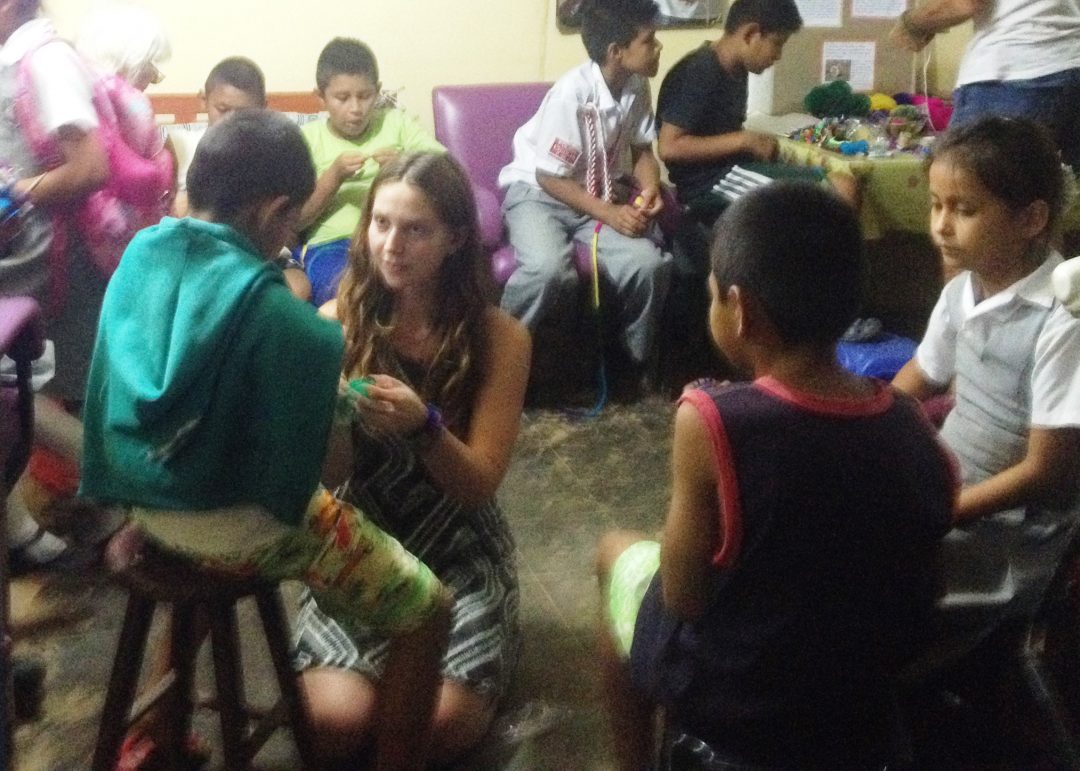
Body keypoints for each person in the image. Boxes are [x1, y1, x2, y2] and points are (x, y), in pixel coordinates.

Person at [79, 110, 452, 770]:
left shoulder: (139, 255)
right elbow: (314, 477)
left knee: (206, 532)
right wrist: (341, 407)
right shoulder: (287, 319)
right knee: (429, 608)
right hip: (235, 533)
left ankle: (155, 728)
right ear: (276, 212)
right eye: (291, 224)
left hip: (142, 503)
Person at [596, 181, 955, 770]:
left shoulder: (712, 420)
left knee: (615, 553)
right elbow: (927, 588)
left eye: (713, 296)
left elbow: (684, 596)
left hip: (739, 700)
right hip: (860, 695)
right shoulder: (910, 422)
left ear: (741, 311)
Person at [292, 151, 531, 764]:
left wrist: (425, 428)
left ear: (456, 239)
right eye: (381, 223)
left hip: (457, 549)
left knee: (439, 725)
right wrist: (330, 414)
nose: (392, 245)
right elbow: (332, 478)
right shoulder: (336, 323)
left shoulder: (499, 337)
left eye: (415, 229)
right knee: (334, 723)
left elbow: (478, 485)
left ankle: (482, 637)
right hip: (364, 541)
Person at [893, 116, 1080, 522]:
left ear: (1031, 219)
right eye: (936, 205)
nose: (941, 226)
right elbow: (922, 374)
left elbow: (1046, 471)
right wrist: (860, 429)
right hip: (952, 480)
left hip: (1011, 526)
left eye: (964, 210)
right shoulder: (961, 290)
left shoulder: (1063, 318)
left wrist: (943, 514)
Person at [498, 0, 671, 383]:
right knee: (547, 272)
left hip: (593, 194)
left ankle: (632, 366)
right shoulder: (571, 93)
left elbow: (642, 150)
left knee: (648, 266)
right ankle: (493, 356)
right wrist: (610, 213)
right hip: (538, 194)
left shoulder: (636, 85)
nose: (658, 47)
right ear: (616, 52)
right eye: (649, 40)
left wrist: (650, 187)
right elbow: (549, 176)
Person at [0, 0, 109, 570]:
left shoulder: (45, 60)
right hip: (23, 252)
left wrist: (16, 193)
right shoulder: (16, 59)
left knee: (16, 388)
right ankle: (19, 533)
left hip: (46, 260)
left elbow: (90, 167)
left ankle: (126, 490)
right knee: (15, 388)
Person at [295, 37, 444, 307]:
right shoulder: (307, 139)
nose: (356, 108)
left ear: (377, 91)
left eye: (365, 96)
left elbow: (445, 171)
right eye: (342, 98)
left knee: (422, 291)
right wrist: (333, 177)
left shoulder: (396, 123)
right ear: (320, 97)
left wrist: (403, 166)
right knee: (346, 293)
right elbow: (296, 220)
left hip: (398, 237)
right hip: (333, 244)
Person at [890, 0, 1080, 169]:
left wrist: (913, 23)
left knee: (964, 188)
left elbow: (964, 3)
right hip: (1071, 66)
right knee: (1059, 193)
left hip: (1012, 74)